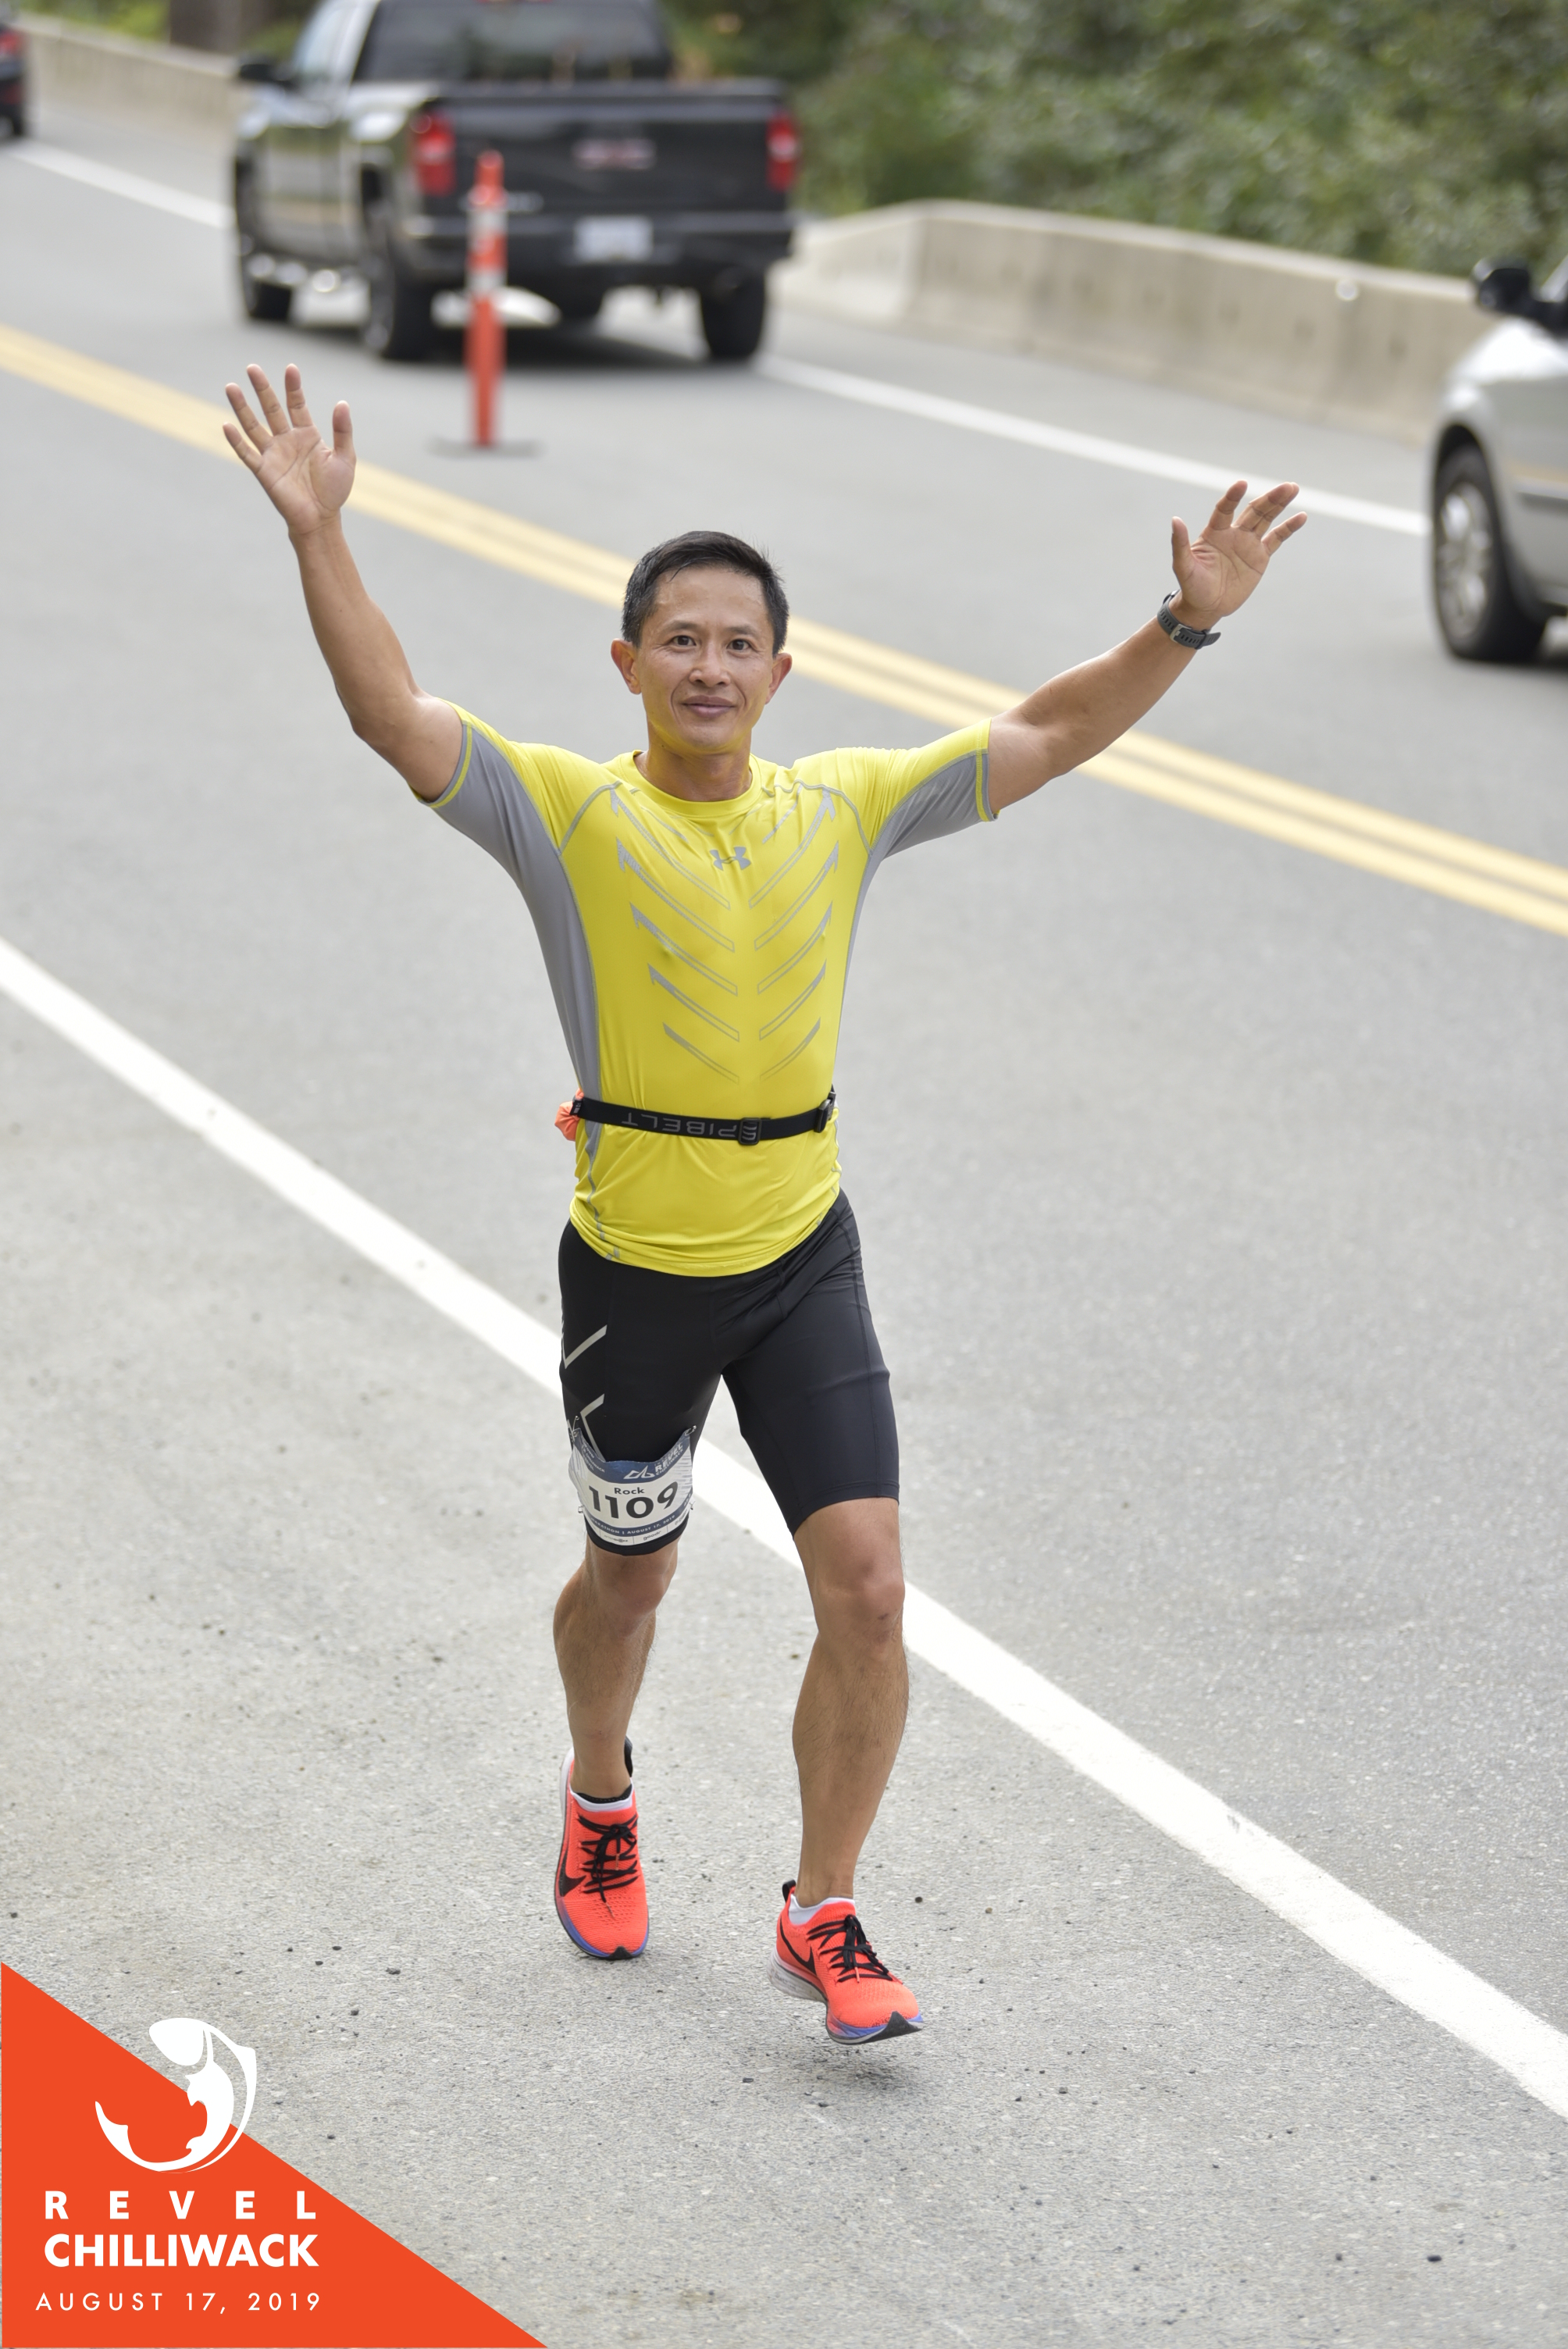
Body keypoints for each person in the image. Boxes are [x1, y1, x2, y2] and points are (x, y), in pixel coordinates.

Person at [223, 360, 1305, 2046]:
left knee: (868, 1589)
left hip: (803, 1256)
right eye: (681, 640)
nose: (711, 666)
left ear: (781, 673)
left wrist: (1183, 623)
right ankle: (599, 1791)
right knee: (629, 1582)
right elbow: (394, 716)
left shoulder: (842, 806)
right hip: (636, 1277)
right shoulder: (565, 811)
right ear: (629, 664)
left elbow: (1044, 731)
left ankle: (823, 1908)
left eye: (740, 643)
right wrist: (319, 536)